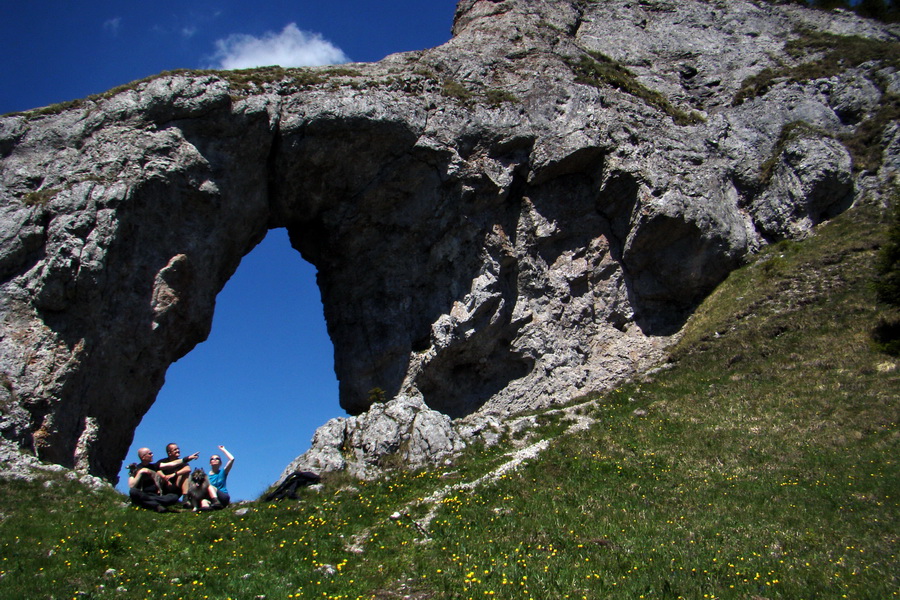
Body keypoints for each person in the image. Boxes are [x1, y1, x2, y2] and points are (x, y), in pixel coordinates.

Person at [127, 448, 180, 513]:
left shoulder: (155, 466)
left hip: (155, 496)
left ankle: (149, 503)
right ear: (143, 457)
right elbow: (132, 486)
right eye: (150, 453)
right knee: (133, 492)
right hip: (143, 493)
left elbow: (171, 464)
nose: (152, 455)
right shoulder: (135, 469)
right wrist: (141, 472)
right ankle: (157, 505)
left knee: (174, 497)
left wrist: (186, 459)